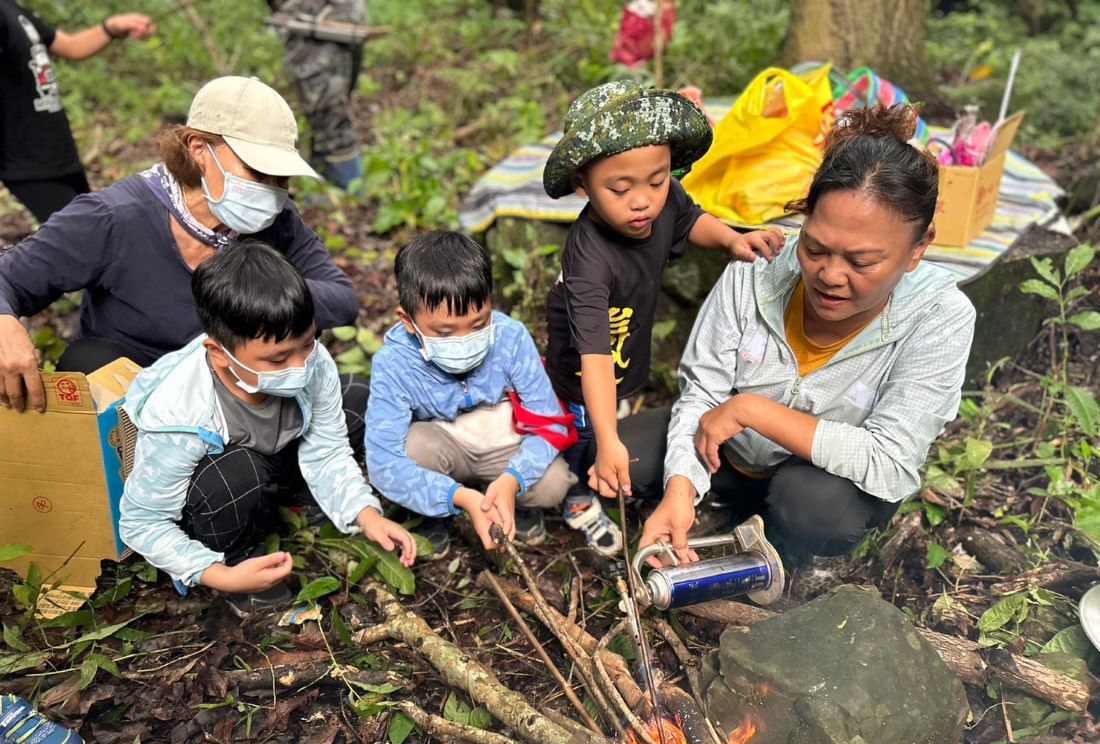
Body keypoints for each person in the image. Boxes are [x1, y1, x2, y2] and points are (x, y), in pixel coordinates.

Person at [636, 104, 976, 569]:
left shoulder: (940, 315)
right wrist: (681, 488)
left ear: (919, 248)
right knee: (612, 451)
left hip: (816, 480)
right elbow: (702, 396)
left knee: (817, 510)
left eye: (862, 262)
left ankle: (788, 545)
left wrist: (753, 410)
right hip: (730, 456)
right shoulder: (757, 269)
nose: (830, 276)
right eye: (814, 248)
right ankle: (724, 503)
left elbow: (891, 460)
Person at [0, 75, 360, 413]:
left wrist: (261, 294)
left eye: (281, 177)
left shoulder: (276, 218)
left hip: (239, 383)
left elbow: (341, 300)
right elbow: (9, 279)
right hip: (138, 390)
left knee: (359, 398)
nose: (272, 189)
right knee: (86, 363)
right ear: (199, 148)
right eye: (258, 172)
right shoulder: (113, 218)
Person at [541, 79, 784, 555]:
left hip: (627, 347)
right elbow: (593, 358)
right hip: (583, 368)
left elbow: (691, 218)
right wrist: (608, 437)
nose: (643, 200)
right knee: (583, 431)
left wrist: (733, 239)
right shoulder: (589, 260)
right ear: (581, 183)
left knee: (621, 404)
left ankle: (607, 466)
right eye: (620, 187)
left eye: (656, 180)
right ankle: (576, 492)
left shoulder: (664, 199)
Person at [119, 242, 415, 612]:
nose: (300, 365)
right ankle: (240, 557)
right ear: (218, 354)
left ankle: (296, 503)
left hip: (277, 457)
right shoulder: (179, 414)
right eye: (278, 359)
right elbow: (142, 521)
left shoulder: (311, 362)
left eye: (307, 344)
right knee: (238, 473)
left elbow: (328, 448)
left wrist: (365, 513)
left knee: (357, 397)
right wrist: (218, 575)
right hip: (226, 486)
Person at [366, 231, 576, 555]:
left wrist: (512, 480)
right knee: (413, 448)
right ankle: (436, 510)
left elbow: (550, 422)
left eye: (478, 325)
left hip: (503, 444)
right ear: (408, 321)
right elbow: (384, 462)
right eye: (444, 332)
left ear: (490, 305)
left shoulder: (511, 338)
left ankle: (512, 502)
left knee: (554, 483)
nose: (464, 340)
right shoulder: (394, 364)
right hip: (445, 445)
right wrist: (458, 496)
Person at [0, 3, 155, 223]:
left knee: (92, 230)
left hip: (57, 150)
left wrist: (111, 27)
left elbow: (71, 46)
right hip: (24, 160)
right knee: (86, 235)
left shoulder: (11, 9)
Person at [266, 0, 366, 189]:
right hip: (327, 19)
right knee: (329, 113)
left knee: (330, 114)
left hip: (319, 21)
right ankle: (328, 184)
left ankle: (346, 192)